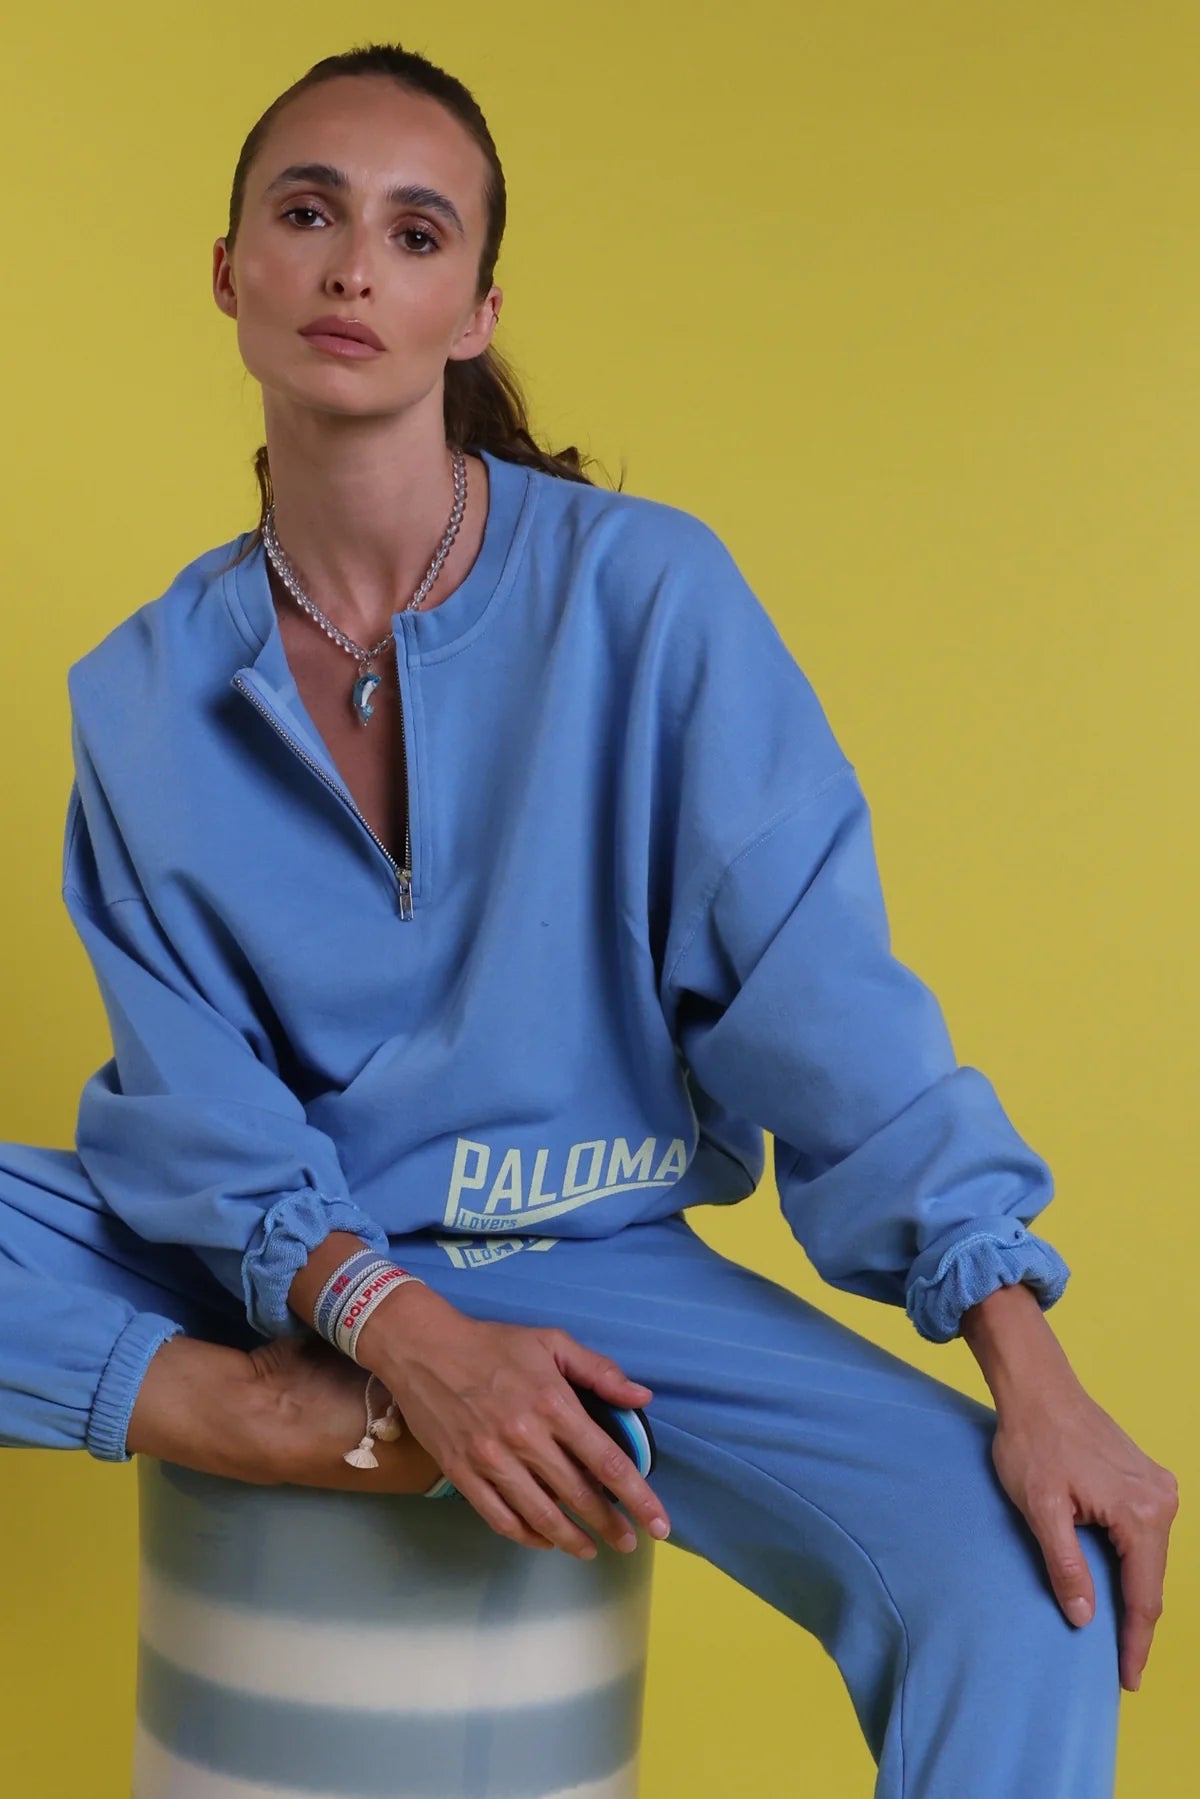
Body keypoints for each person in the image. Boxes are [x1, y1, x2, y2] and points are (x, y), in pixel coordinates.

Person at [0, 39, 1177, 1796]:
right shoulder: (144, 696)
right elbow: (197, 1110)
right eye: (309, 215)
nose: (351, 268)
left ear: (474, 310)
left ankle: (319, 1394)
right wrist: (372, 1337)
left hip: (600, 1270)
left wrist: (1029, 1358)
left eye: (414, 234)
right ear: (230, 271)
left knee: (1027, 1585)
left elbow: (822, 1000)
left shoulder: (646, 599)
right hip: (281, 1263)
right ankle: (251, 1409)